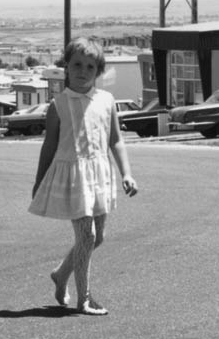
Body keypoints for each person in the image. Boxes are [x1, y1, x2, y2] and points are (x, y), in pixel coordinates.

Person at [29, 37, 138, 316]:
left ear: (98, 71)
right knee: (87, 236)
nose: (83, 71)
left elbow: (116, 140)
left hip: (100, 175)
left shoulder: (107, 100)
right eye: (77, 64)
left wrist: (126, 173)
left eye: (90, 66)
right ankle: (85, 299)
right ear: (67, 66)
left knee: (96, 237)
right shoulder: (58, 105)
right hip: (74, 177)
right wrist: (39, 180)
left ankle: (60, 274)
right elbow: (49, 146)